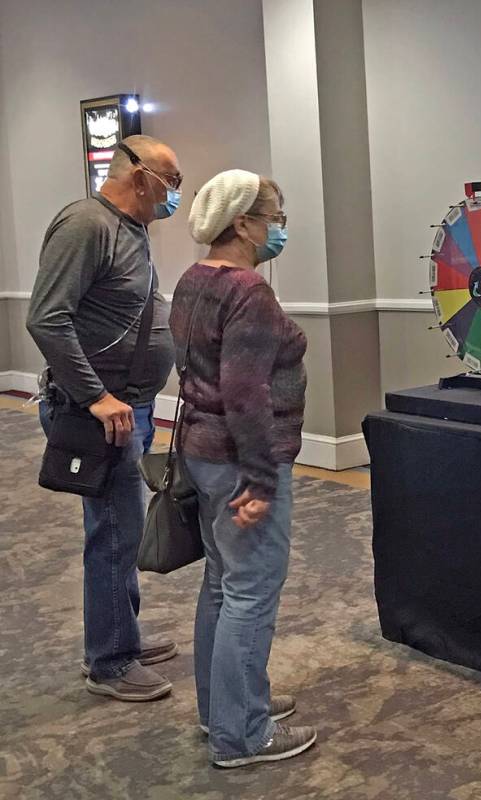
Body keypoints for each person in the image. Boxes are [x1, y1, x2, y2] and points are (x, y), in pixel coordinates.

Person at [26, 135, 181, 702]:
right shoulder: (85, 225)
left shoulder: (131, 228)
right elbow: (46, 318)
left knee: (125, 525)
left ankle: (122, 635)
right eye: (172, 180)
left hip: (127, 407)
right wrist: (97, 397)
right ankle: (110, 661)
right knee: (114, 532)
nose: (176, 195)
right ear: (139, 176)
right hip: (98, 413)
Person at [170, 169, 315, 768]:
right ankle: (243, 735)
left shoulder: (193, 278)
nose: (279, 228)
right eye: (274, 216)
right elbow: (246, 394)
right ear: (242, 223)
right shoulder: (249, 290)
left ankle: (224, 709)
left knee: (221, 586)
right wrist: (259, 479)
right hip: (240, 463)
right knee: (252, 591)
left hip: (201, 454)